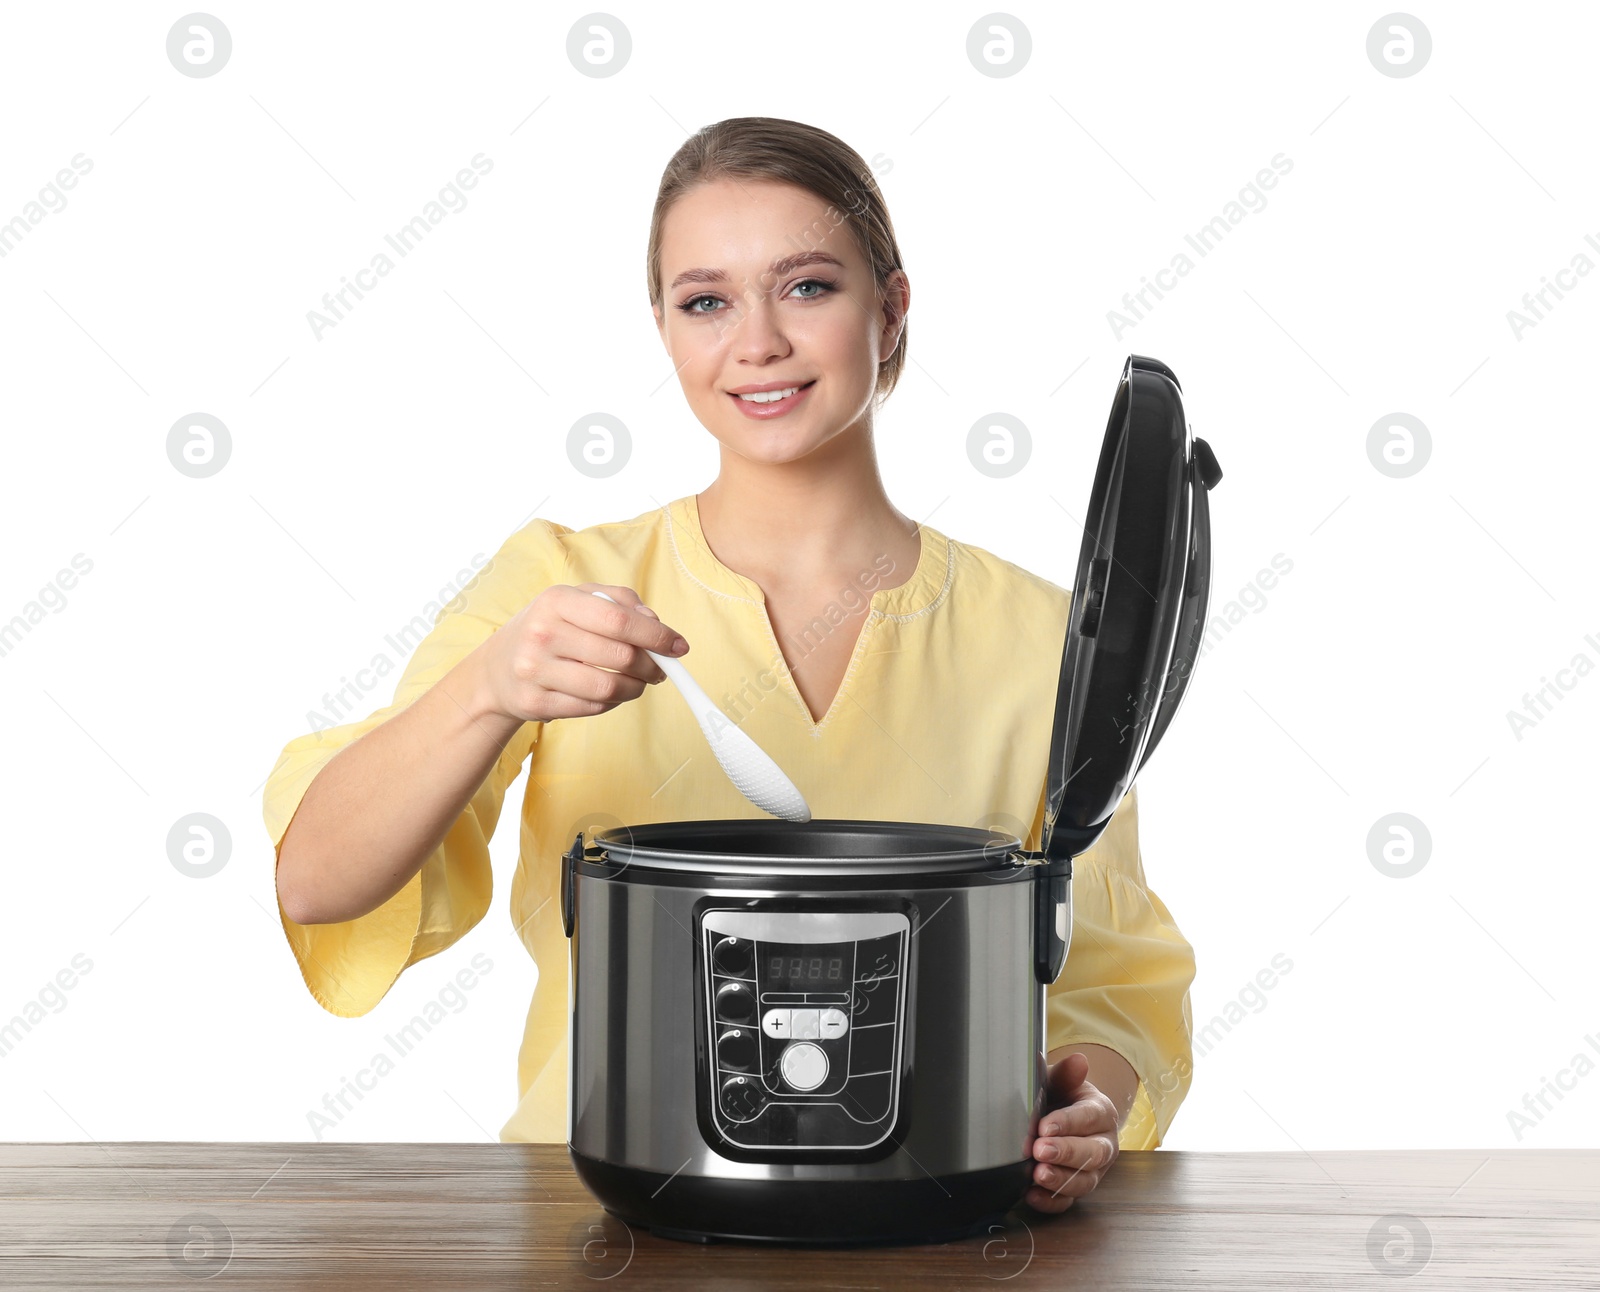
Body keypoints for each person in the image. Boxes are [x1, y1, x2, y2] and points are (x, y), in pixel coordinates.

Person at [263, 116, 1196, 1215]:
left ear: (890, 308)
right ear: (662, 327)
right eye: (705, 301)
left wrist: (1091, 1101)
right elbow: (320, 879)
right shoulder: (562, 585)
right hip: (600, 1223)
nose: (754, 342)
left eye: (805, 287)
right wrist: (487, 689)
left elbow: (1110, 973)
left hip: (938, 1224)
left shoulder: (1041, 636)